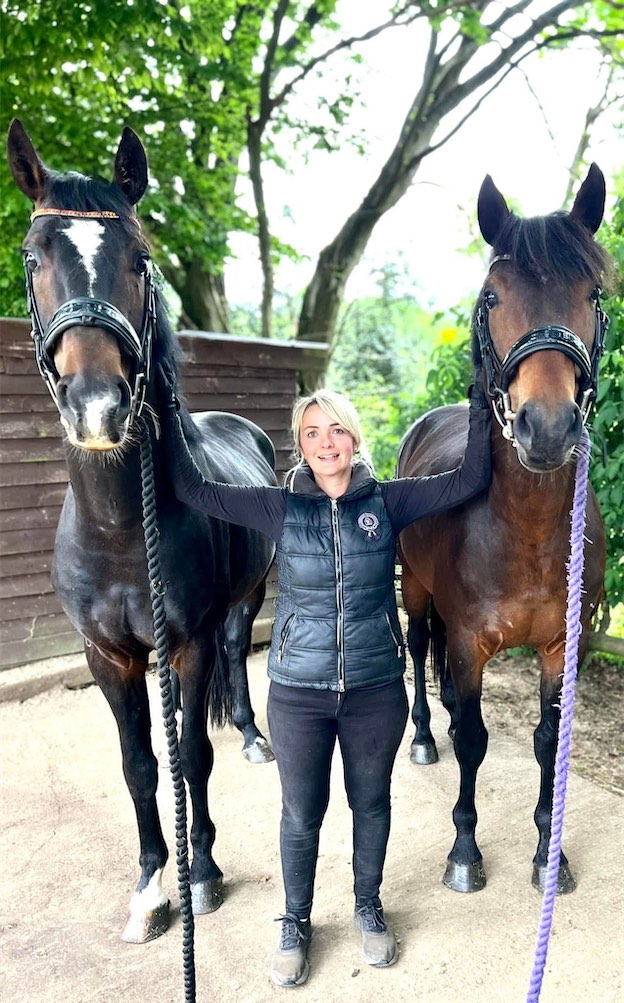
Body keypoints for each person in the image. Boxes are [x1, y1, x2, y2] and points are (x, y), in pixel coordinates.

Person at [158, 377, 492, 988]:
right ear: (301, 446)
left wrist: (480, 398)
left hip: (374, 689)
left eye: (337, 429)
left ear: (355, 437)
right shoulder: (276, 506)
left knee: (371, 803)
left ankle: (368, 906)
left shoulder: (389, 503)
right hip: (297, 692)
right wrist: (169, 403)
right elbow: (191, 486)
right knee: (301, 813)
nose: (326, 443)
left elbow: (469, 480)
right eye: (312, 434)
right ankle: (295, 920)